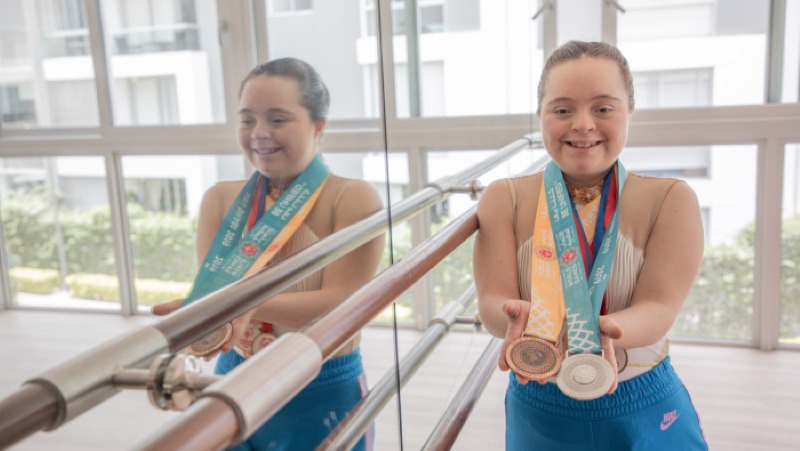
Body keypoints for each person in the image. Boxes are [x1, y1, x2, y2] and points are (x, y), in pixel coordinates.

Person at [473, 41, 708, 450]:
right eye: (562, 109)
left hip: (640, 399)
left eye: (603, 108)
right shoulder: (503, 197)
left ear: (629, 111)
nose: (582, 124)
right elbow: (494, 301)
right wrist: (513, 317)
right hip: (539, 398)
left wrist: (599, 334)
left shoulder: (670, 199)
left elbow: (660, 307)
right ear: (541, 114)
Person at [152, 57, 384, 451]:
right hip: (234, 378)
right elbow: (213, 296)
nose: (259, 133)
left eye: (277, 119)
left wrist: (242, 305)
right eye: (247, 120)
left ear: (319, 126)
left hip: (321, 386)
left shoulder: (351, 198)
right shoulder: (221, 200)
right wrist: (201, 315)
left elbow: (342, 305)